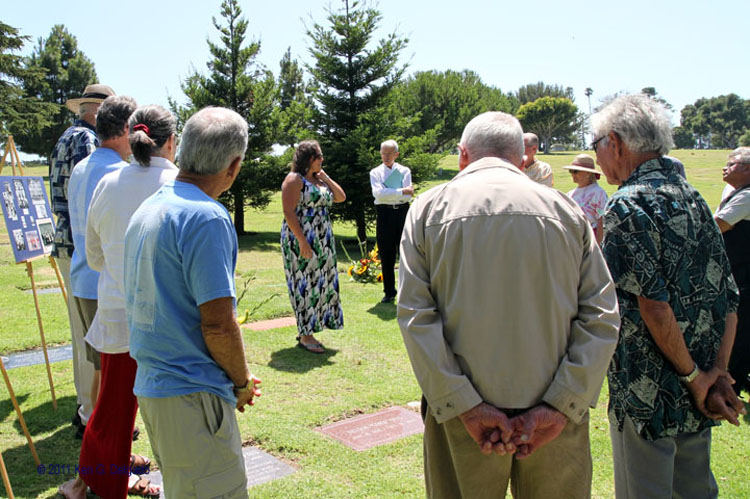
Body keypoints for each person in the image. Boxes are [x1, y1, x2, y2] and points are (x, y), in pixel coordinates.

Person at [397, 111, 620, 498]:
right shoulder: (567, 212)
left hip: (462, 414)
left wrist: (463, 404)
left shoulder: (428, 209)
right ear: (521, 160)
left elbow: (416, 315)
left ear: (463, 155)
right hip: (554, 413)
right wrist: (560, 404)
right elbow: (601, 315)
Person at [592, 94, 746, 499]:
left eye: (596, 146)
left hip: (648, 393)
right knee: (695, 489)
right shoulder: (694, 197)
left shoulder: (626, 205)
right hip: (700, 384)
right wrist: (716, 376)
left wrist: (698, 380)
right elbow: (729, 298)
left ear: (617, 143)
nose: (597, 158)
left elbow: (653, 305)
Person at [124, 107, 261, 498]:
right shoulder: (206, 217)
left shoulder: (149, 207)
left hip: (155, 386)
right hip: (191, 394)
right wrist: (241, 382)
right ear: (233, 166)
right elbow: (218, 324)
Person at [58, 105, 178, 499]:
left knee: (111, 412)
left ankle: (100, 482)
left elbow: (94, 256)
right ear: (171, 142)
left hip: (119, 313)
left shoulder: (108, 184)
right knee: (174, 412)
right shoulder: (180, 183)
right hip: (169, 321)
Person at [49, 83, 115, 434]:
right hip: (82, 248)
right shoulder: (88, 142)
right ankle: (91, 410)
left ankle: (83, 404)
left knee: (80, 336)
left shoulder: (64, 138)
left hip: (64, 242)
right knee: (94, 338)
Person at [280, 140, 346, 353]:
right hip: (302, 238)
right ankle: (306, 335)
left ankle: (309, 330)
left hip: (323, 239)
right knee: (304, 283)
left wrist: (325, 177)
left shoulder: (319, 181)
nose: (322, 159)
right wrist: (302, 241)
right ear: (309, 158)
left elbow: (340, 197)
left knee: (322, 283)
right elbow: (289, 212)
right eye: (319, 156)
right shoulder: (294, 179)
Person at [714, 147, 750, 396]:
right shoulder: (739, 193)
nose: (725, 167)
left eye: (732, 163)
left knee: (739, 331)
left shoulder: (747, 197)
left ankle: (733, 383)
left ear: (747, 169)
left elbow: (719, 225)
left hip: (744, 276)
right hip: (739, 274)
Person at [369, 139, 413, 303]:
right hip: (384, 213)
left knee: (406, 251)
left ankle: (407, 290)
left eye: (389, 154)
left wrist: (394, 192)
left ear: (396, 154)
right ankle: (389, 291)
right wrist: (402, 190)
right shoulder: (375, 173)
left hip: (402, 212)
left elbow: (409, 195)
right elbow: (379, 194)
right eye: (383, 153)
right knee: (386, 253)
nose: (386, 157)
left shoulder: (404, 170)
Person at [563, 153, 608, 244]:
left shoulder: (598, 193)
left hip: (590, 238)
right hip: (574, 238)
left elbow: (601, 220)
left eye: (575, 171)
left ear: (588, 173)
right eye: (571, 171)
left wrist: (599, 245)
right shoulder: (570, 194)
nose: (572, 174)